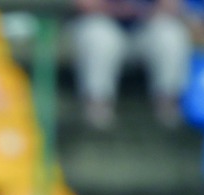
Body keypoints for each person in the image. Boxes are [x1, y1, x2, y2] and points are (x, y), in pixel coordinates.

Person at [67, 0, 195, 130]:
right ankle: (96, 105)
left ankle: (168, 104)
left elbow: (172, 6)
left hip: (146, 24)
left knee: (170, 33)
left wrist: (143, 11)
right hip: (103, 21)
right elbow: (84, 5)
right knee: (98, 35)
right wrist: (120, 9)